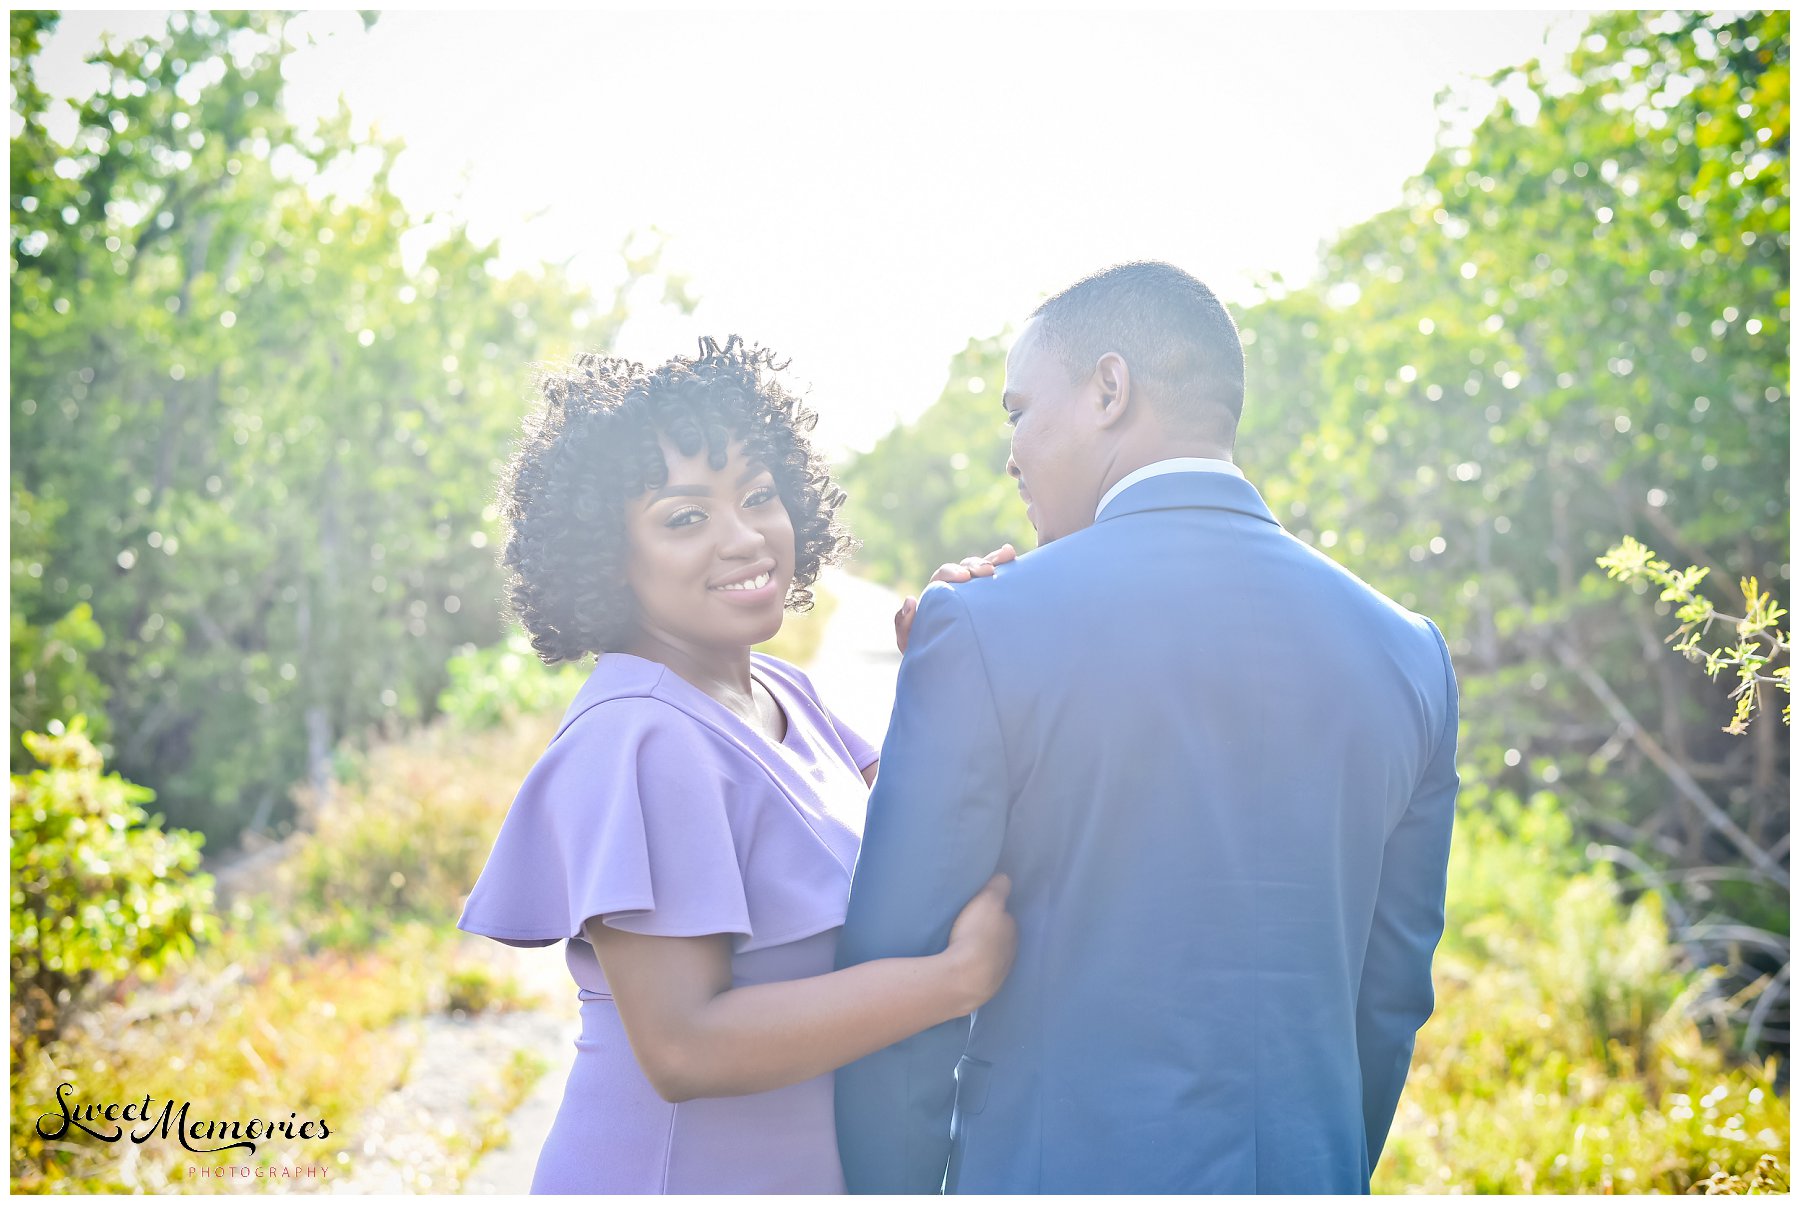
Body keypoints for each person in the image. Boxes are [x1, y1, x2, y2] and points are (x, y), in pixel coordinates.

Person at [835, 262, 1460, 1193]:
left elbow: (899, 986)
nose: (1013, 453)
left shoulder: (978, 626)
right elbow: (1391, 996)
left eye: (1017, 411)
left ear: (1109, 389)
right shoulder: (1409, 651)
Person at [456, 337, 1017, 1194]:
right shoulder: (641, 736)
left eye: (759, 495)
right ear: (608, 555)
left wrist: (945, 661)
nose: (746, 536)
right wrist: (953, 981)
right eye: (686, 517)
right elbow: (685, 1046)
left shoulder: (782, 689)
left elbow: (920, 847)